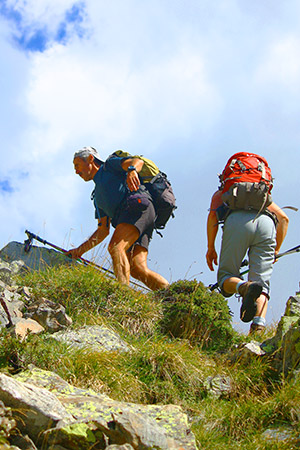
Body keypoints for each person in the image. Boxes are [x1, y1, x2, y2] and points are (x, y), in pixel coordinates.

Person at [67, 146, 169, 290]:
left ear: (90, 159)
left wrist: (132, 170)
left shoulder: (109, 166)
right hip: (140, 217)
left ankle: (123, 294)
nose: (76, 171)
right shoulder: (97, 196)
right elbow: (102, 230)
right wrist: (79, 251)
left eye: (77, 165)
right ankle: (172, 296)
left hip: (137, 206)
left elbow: (137, 161)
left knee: (116, 247)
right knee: (137, 268)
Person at [206, 189, 289, 334]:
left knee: (225, 276)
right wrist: (275, 251)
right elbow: (283, 219)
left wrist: (211, 247)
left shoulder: (224, 192)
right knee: (261, 283)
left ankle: (243, 287)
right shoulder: (261, 196)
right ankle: (258, 329)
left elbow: (213, 216)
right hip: (266, 224)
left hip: (237, 222)